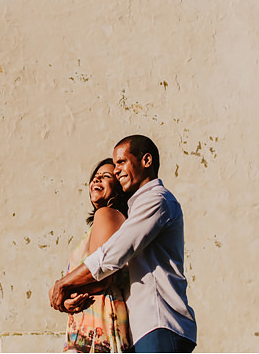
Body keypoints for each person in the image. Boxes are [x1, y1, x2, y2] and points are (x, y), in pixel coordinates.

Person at [50, 135, 197, 353]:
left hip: (159, 323)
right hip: (146, 327)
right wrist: (67, 294)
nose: (117, 170)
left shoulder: (156, 200)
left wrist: (63, 285)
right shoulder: (138, 208)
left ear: (146, 161)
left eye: (121, 162)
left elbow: (111, 256)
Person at [60, 159, 131, 353]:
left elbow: (100, 275)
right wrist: (65, 299)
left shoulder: (107, 214)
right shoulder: (101, 221)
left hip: (99, 318)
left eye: (105, 176)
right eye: (95, 176)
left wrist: (61, 291)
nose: (97, 179)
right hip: (90, 317)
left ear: (118, 190)